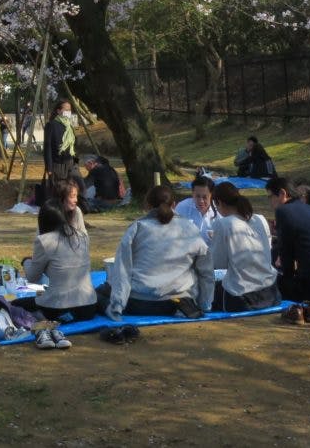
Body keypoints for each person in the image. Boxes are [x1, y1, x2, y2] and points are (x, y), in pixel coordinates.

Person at [105, 185, 214, 320]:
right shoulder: (190, 228)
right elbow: (206, 272)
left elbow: (122, 270)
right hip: (179, 303)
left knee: (100, 292)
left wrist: (117, 306)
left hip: (139, 303)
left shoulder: (137, 228)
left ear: (148, 205)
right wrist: (205, 305)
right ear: (174, 204)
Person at [20, 198, 96, 337]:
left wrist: (25, 261)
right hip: (88, 308)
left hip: (57, 309)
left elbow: (32, 277)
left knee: (14, 305)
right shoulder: (83, 235)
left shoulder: (44, 240)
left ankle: (42, 323)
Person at [209, 181, 279, 312]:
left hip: (242, 296)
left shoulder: (223, 224)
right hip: (271, 291)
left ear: (219, 202)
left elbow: (218, 263)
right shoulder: (260, 219)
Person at [175, 175, 219, 242]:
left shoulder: (219, 210)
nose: (201, 201)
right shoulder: (182, 207)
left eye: (205, 197)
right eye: (197, 196)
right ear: (192, 194)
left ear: (211, 195)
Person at [43, 100, 78, 181]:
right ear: (58, 111)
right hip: (58, 165)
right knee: (59, 189)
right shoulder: (51, 125)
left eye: (69, 110)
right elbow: (47, 148)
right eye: (66, 110)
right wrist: (49, 168)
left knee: (73, 188)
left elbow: (73, 146)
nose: (68, 112)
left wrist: (75, 162)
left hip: (71, 163)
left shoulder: (69, 126)